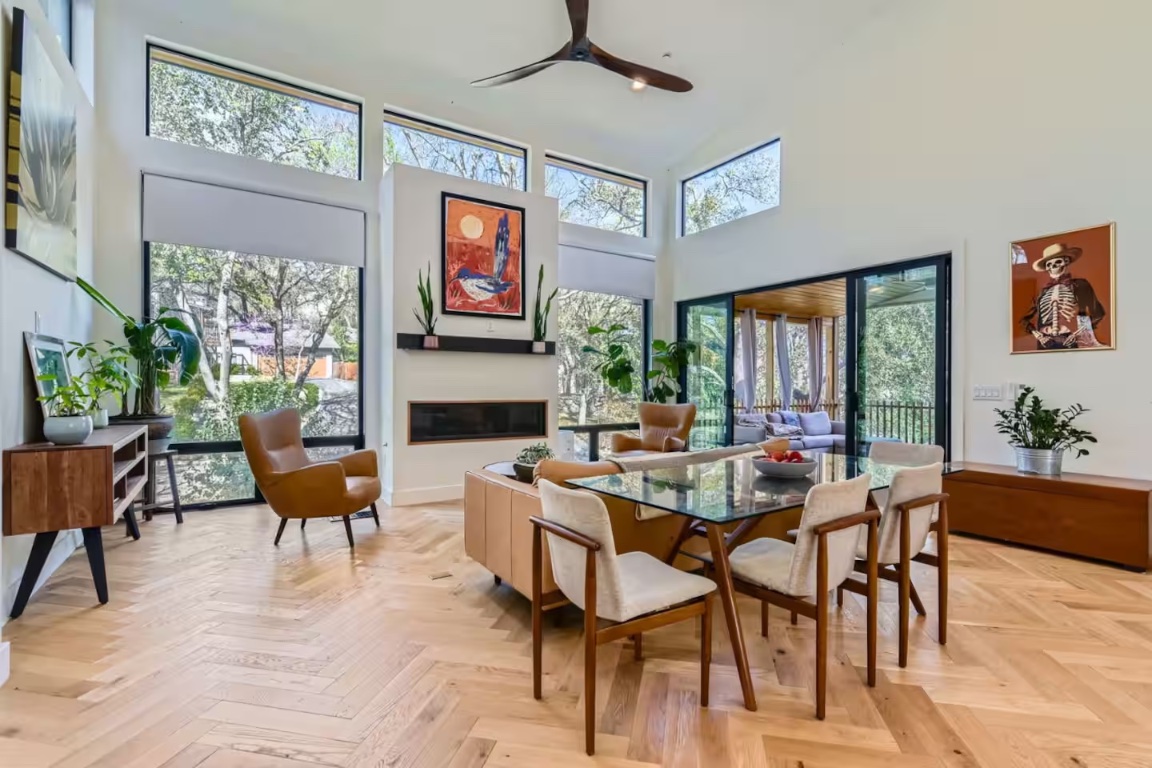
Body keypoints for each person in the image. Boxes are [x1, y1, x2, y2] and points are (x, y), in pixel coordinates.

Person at [1019, 242, 1106, 350]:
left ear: (1066, 261)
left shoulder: (1080, 285)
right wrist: (1038, 335)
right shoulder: (1042, 292)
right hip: (1045, 342)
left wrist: (1077, 334)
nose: (1053, 267)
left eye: (1057, 262)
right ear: (1046, 268)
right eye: (1049, 264)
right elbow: (1024, 320)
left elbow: (1098, 313)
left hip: (1071, 340)